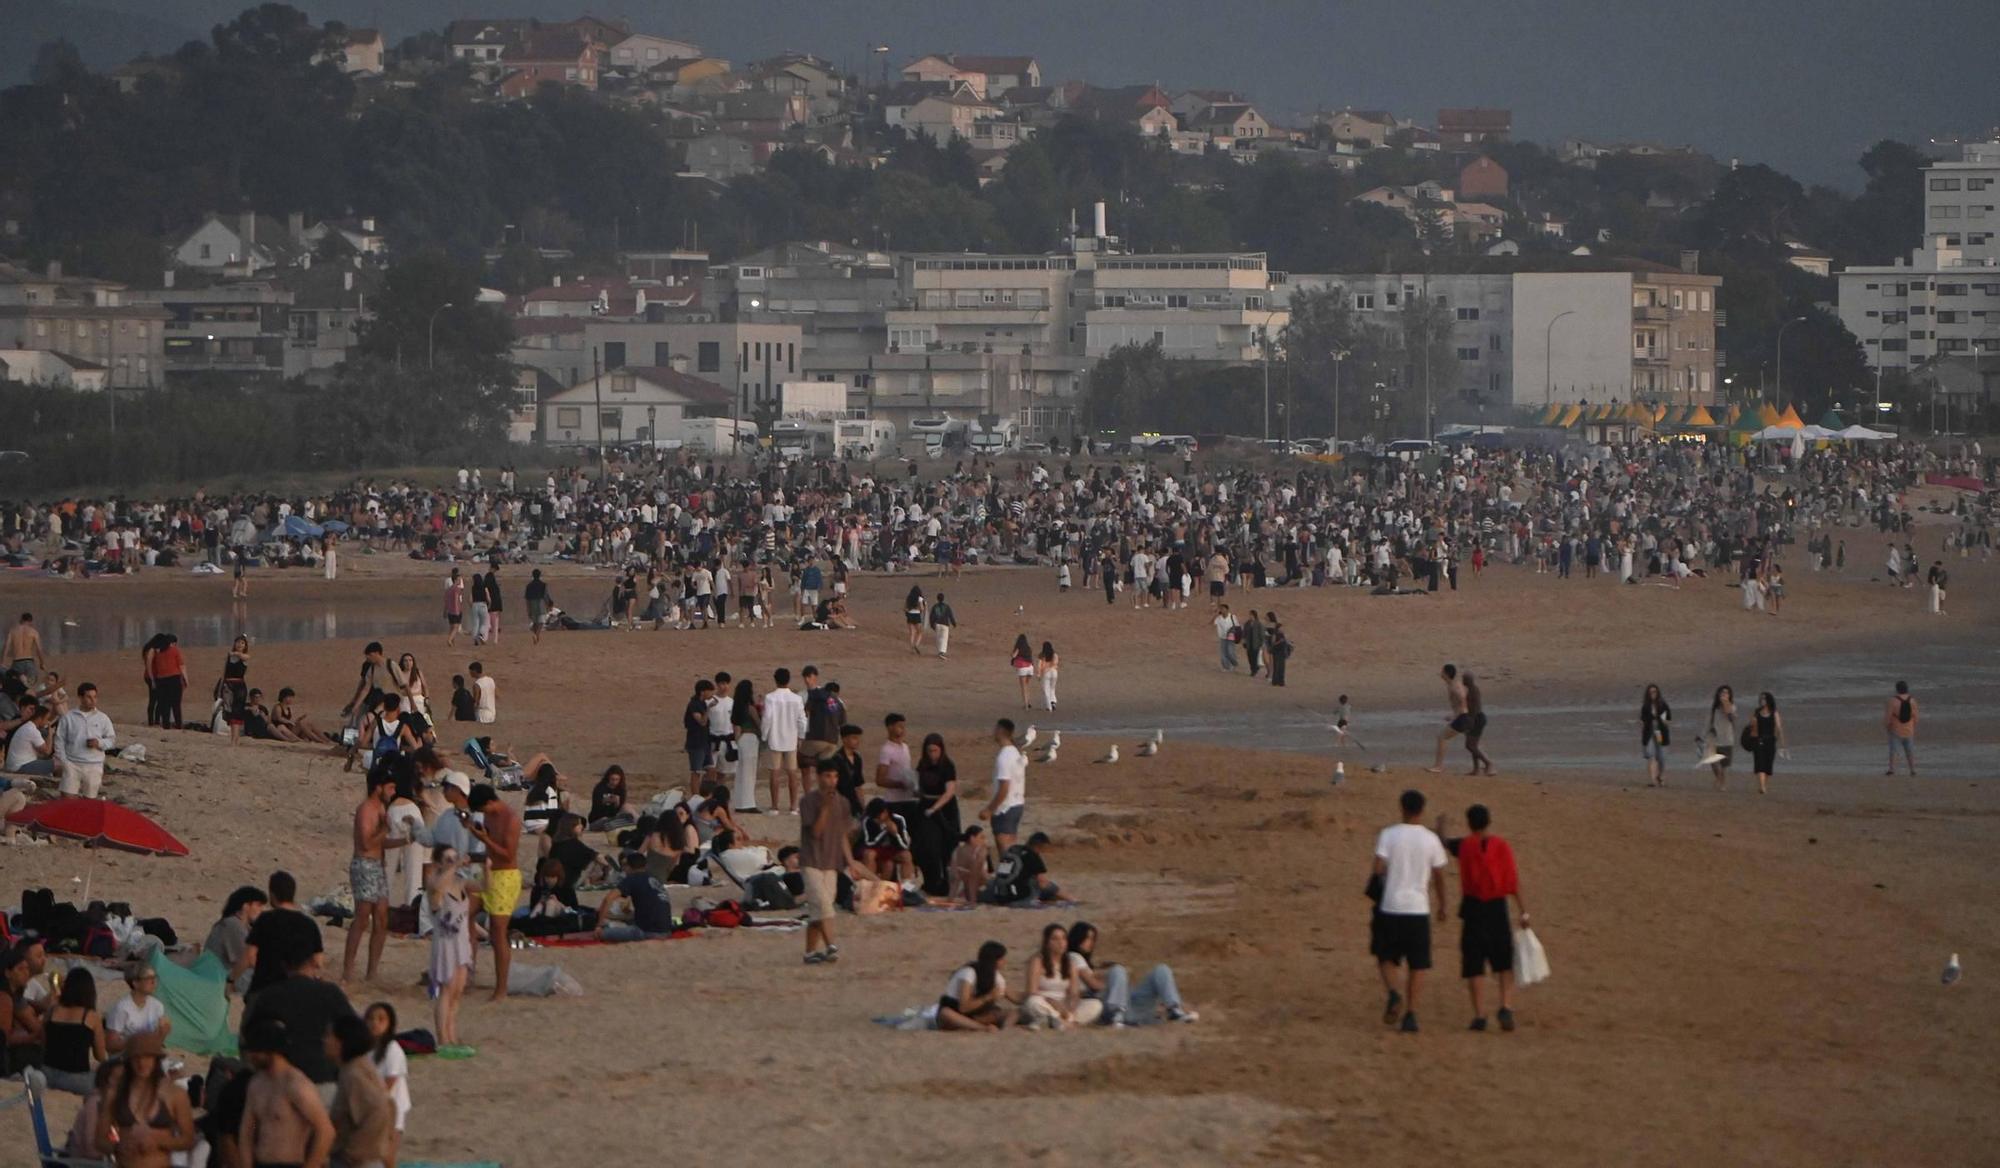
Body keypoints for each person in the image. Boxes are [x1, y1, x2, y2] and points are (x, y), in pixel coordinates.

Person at [1440, 804, 1528, 1032]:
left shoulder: (1465, 846)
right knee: (1503, 961)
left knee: (1474, 963)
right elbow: (1512, 881)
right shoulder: (1501, 846)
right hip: (1497, 908)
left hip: (1473, 907)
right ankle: (1505, 1006)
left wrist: (1441, 826)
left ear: (1470, 823)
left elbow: (1445, 842)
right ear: (1488, 821)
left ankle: (1479, 1014)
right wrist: (1523, 911)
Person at [1372, 789, 1449, 1033]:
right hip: (1418, 907)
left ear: (1402, 808)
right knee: (1418, 963)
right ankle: (1412, 1014)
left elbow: (1377, 868)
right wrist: (1443, 905)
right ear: (1422, 810)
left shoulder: (1389, 834)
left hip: (1391, 904)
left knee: (1385, 956)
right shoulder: (1430, 840)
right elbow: (1439, 876)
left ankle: (1394, 992)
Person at [798, 757, 870, 965]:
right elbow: (815, 832)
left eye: (835, 776)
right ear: (819, 777)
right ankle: (831, 946)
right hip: (811, 860)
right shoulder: (808, 801)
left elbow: (842, 836)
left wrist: (851, 862)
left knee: (818, 910)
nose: (832, 781)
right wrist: (826, 807)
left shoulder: (843, 802)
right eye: (828, 776)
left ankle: (810, 952)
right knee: (824, 907)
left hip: (831, 863)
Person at [239, 1016, 335, 1168]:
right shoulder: (256, 1084)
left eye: (255, 1051)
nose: (250, 1057)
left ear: (269, 1050)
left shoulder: (296, 1084)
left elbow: (326, 1130)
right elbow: (246, 1132)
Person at [1065, 922, 1197, 1026]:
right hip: (1104, 1005)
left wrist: (1119, 987)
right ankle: (1116, 1015)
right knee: (1118, 970)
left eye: (1093, 939)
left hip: (1125, 1004)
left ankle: (1174, 1008)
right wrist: (1116, 985)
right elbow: (1093, 985)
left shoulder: (1086, 963)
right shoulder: (1074, 957)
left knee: (1161, 970)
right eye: (1087, 938)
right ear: (1078, 938)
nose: (1090, 943)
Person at [96, 1030, 196, 1166]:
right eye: (136, 1057)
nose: (142, 1063)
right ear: (129, 1060)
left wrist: (159, 1141)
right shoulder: (115, 1094)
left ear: (156, 1059)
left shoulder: (175, 1094)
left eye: (147, 1057)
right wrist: (117, 1147)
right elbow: (99, 1140)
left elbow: (189, 1139)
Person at [467, 783, 522, 1000]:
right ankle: (467, 970)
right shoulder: (488, 817)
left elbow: (508, 854)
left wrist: (484, 839)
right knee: (464, 912)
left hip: (506, 877)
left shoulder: (511, 819)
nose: (483, 815)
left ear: (490, 802)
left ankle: (501, 989)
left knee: (498, 932)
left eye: (483, 810)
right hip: (487, 870)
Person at [342, 768, 395, 984]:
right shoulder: (366, 810)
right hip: (364, 865)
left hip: (378, 866)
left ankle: (372, 972)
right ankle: (348, 970)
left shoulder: (382, 808)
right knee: (362, 916)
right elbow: (366, 843)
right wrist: (385, 827)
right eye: (390, 787)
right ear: (378, 788)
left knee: (382, 918)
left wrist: (405, 840)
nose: (393, 792)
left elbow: (382, 842)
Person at [424, 844, 477, 1052]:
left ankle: (452, 1034)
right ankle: (442, 1037)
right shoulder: (435, 882)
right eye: (448, 859)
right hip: (445, 943)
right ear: (438, 863)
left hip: (461, 942)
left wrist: (489, 868)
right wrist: (454, 866)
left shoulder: (460, 882)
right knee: (446, 990)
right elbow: (437, 890)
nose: (453, 862)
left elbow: (484, 886)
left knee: (457, 990)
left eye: (454, 858)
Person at [327, 1013, 394, 1168]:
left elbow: (380, 1109)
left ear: (341, 1042)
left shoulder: (353, 1074)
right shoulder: (353, 1067)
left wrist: (355, 1152)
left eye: (329, 1036)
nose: (324, 1041)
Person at [245, 871, 322, 997]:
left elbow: (250, 956)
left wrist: (232, 979)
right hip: (297, 992)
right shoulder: (309, 924)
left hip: (264, 990)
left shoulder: (265, 919)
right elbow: (318, 962)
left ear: (272, 895)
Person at [40, 966, 106, 1094]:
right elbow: (100, 1056)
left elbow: (43, 1043)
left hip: (47, 1074)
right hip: (76, 1078)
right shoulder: (91, 1016)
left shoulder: (52, 1011)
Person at [1019, 923, 1095, 1030]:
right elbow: (1032, 991)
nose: (1061, 943)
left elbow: (1074, 993)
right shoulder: (1037, 961)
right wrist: (1053, 1003)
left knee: (1095, 1004)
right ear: (1047, 943)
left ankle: (1058, 1021)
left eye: (1064, 939)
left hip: (1063, 1003)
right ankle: (1064, 1022)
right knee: (1033, 1002)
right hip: (1044, 1000)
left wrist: (1069, 1008)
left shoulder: (1070, 963)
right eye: (1055, 939)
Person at [914, 732, 960, 896]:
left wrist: (934, 808)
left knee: (947, 847)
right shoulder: (923, 764)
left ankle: (947, 884)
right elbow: (919, 784)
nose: (932, 754)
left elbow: (949, 792)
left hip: (944, 809)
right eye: (929, 751)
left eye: (935, 750)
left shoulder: (947, 766)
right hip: (925, 805)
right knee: (927, 846)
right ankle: (931, 882)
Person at [363, 1002, 409, 1167]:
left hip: (391, 1107)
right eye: (371, 1019)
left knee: (387, 1154)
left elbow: (389, 1082)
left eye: (381, 1019)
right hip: (372, 1106)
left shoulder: (393, 1050)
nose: (375, 1023)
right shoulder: (366, 1049)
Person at [596, 851, 677, 942]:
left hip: (647, 932)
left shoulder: (632, 879)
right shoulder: (653, 879)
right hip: (666, 930)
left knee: (602, 933)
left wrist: (599, 925)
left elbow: (608, 899)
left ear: (628, 867)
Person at [53, 681, 113, 798]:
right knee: (67, 800)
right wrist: (64, 762)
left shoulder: (103, 718)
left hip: (94, 765)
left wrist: (99, 743)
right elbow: (59, 740)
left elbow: (111, 739)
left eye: (95, 697)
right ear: (80, 697)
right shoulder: (68, 717)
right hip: (72, 763)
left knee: (89, 801)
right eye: (89, 697)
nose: (93, 700)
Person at [936, 941, 1013, 1031]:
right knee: (946, 1013)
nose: (1005, 962)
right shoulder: (969, 973)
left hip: (976, 1015)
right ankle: (982, 1028)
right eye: (1002, 959)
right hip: (956, 1012)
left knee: (1012, 1013)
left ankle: (1004, 1030)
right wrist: (988, 997)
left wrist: (1031, 994)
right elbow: (963, 1007)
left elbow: (1013, 996)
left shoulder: (995, 976)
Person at [205, 885, 267, 996]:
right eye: (258, 905)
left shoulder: (242, 926)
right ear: (246, 906)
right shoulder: (232, 924)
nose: (262, 910)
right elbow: (249, 959)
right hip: (219, 976)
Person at [979, 717, 1028, 853]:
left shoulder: (1004, 756)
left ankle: (1011, 873)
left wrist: (989, 809)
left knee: (1005, 849)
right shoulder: (1014, 752)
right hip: (1017, 803)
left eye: (995, 729)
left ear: (1001, 731)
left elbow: (1004, 787)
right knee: (1011, 846)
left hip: (1005, 808)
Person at [763, 667, 807, 813]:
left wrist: (764, 735)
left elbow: (767, 718)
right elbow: (802, 720)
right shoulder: (797, 698)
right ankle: (793, 806)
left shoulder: (770, 697)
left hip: (774, 739)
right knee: (792, 773)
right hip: (791, 739)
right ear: (788, 680)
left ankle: (774, 806)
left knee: (774, 773)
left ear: (775, 680)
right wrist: (801, 736)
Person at [106, 963, 171, 1054]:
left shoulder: (157, 1006)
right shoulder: (122, 1008)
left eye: (154, 977)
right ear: (135, 983)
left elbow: (156, 1043)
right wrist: (138, 1042)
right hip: (125, 1058)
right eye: (148, 978)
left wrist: (163, 1033)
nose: (153, 982)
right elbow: (110, 1045)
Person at [982, 831, 1058, 904]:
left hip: (1000, 895)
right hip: (1019, 898)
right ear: (1040, 846)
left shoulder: (1012, 849)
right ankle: (1070, 899)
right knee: (1049, 886)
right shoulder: (1032, 855)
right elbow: (1042, 883)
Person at [859, 798, 915, 884]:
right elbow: (868, 843)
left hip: (892, 849)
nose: (876, 820)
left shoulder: (899, 819)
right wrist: (884, 830)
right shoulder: (868, 821)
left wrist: (896, 834)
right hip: (876, 849)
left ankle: (907, 888)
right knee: (870, 854)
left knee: (906, 855)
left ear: (885, 812)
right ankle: (869, 884)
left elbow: (905, 846)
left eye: (877, 817)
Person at [1427, 664, 1468, 774]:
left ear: (1446, 674)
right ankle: (1488, 765)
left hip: (1462, 717)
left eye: (1442, 671)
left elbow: (1463, 700)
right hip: (1464, 716)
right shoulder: (1453, 684)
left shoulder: (1454, 686)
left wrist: (1454, 716)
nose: (1440, 673)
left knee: (1442, 737)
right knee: (1472, 743)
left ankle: (1438, 766)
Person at [729, 679, 762, 815]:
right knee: (749, 772)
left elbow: (736, 727)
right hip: (750, 738)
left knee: (741, 772)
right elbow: (759, 724)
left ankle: (739, 803)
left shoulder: (737, 707)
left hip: (741, 739)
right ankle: (748, 803)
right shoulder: (750, 708)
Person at [1748, 691, 1787, 795]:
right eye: (1761, 699)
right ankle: (1762, 787)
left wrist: (1782, 743)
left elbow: (1779, 728)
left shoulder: (1774, 712)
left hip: (1770, 741)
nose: (1762, 701)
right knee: (1760, 763)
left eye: (1764, 698)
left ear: (1769, 700)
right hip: (1759, 740)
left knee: (1768, 765)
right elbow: (1751, 726)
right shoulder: (1757, 712)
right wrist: (1752, 723)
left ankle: (1763, 785)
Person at [218, 634, 251, 744]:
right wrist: (221, 686)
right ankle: (234, 738)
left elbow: (244, 657)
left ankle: (235, 739)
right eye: (238, 642)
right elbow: (224, 672)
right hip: (228, 685)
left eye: (242, 643)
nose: (239, 645)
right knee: (229, 712)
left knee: (237, 712)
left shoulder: (245, 656)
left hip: (239, 686)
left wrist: (234, 653)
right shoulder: (229, 657)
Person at [683, 678, 715, 788]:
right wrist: (708, 709)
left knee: (710, 769)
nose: (711, 693)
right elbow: (702, 722)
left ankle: (707, 792)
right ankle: (695, 796)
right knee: (696, 771)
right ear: (702, 691)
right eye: (709, 690)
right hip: (696, 743)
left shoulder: (702, 704)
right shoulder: (694, 704)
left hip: (705, 742)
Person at [1706, 685, 1738, 791]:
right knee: (1712, 761)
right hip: (1715, 738)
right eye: (1722, 692)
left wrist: (1726, 702)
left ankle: (1723, 784)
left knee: (1724, 765)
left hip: (1727, 738)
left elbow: (1731, 717)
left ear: (1729, 695)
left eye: (1726, 693)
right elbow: (1711, 721)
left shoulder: (1732, 706)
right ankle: (1718, 778)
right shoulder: (1715, 707)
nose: (1724, 694)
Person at [1640, 683, 1672, 787]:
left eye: (1654, 692)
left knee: (1661, 756)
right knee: (1651, 755)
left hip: (1660, 733)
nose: (1652, 694)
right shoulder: (1645, 706)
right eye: (1650, 692)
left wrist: (1663, 721)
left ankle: (1660, 776)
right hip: (1649, 733)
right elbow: (1642, 721)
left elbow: (1668, 720)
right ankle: (1653, 780)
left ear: (1657, 693)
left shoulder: (1663, 705)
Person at [1885, 680, 1918, 776]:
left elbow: (1888, 717)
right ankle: (1912, 770)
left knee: (1894, 750)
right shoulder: (1912, 701)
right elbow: (1916, 717)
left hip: (1895, 729)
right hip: (1909, 729)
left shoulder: (1892, 701)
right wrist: (1912, 726)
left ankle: (1891, 769)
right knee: (1910, 750)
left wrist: (1887, 727)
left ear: (1897, 689)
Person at [4, 612, 47, 683]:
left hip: (17, 662)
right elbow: (39, 649)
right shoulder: (34, 632)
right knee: (30, 685)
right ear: (31, 621)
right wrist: (42, 663)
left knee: (15, 685)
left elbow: (6, 647)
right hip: (29, 661)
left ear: (21, 619)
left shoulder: (12, 631)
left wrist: (2, 662)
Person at [929, 591, 958, 659]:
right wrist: (954, 623)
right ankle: (942, 652)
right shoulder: (946, 607)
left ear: (937, 599)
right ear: (943, 598)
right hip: (945, 624)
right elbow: (950, 615)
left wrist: (932, 625)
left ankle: (939, 651)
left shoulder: (935, 607)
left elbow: (931, 617)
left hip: (937, 624)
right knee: (944, 638)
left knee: (938, 638)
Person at [1010, 634, 1035, 708]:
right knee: (1027, 685)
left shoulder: (1019, 647)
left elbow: (1013, 656)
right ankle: (1028, 702)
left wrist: (1012, 654)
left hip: (1023, 668)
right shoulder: (1028, 648)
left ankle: (1026, 705)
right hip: (1030, 668)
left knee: (1023, 687)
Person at [444, 567, 467, 646]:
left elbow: (446, 601)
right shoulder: (457, 589)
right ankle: (450, 640)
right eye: (459, 579)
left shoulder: (449, 589)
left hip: (450, 610)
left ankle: (452, 641)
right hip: (455, 610)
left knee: (451, 627)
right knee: (456, 627)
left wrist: (445, 610)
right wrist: (458, 611)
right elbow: (457, 600)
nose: (460, 581)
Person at [1035, 641, 1060, 710]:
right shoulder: (1054, 654)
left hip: (1046, 673)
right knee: (1052, 688)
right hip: (1054, 672)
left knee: (1046, 689)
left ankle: (1049, 706)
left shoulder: (1041, 655)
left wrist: (1039, 674)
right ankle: (1053, 702)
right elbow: (1055, 663)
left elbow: (1039, 665)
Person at [1214, 604, 1239, 671]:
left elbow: (1237, 626)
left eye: (1223, 609)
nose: (1222, 610)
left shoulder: (1232, 617)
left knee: (1230, 652)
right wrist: (1216, 615)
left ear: (1227, 609)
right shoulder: (1219, 618)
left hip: (1231, 637)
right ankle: (1226, 666)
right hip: (1222, 637)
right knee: (1223, 653)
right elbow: (1212, 623)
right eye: (1221, 609)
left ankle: (1234, 663)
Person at [904, 584, 926, 653]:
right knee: (920, 632)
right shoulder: (919, 598)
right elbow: (922, 608)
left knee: (912, 633)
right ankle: (916, 644)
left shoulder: (908, 598)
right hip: (916, 615)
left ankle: (911, 647)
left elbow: (904, 608)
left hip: (910, 615)